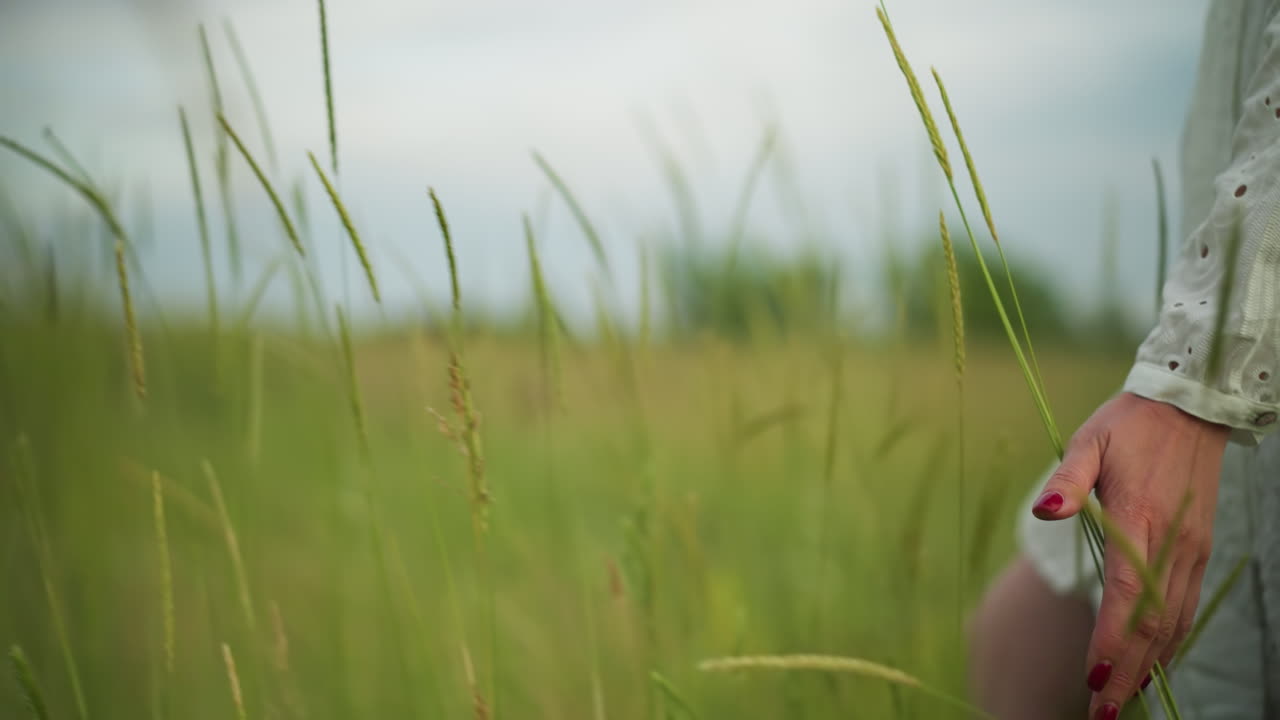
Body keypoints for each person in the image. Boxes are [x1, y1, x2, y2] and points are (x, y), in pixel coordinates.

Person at [969, 2, 1280, 719]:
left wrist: (1191, 382)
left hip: (1223, 366)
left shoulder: (1200, 375)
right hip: (1220, 355)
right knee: (1015, 635)